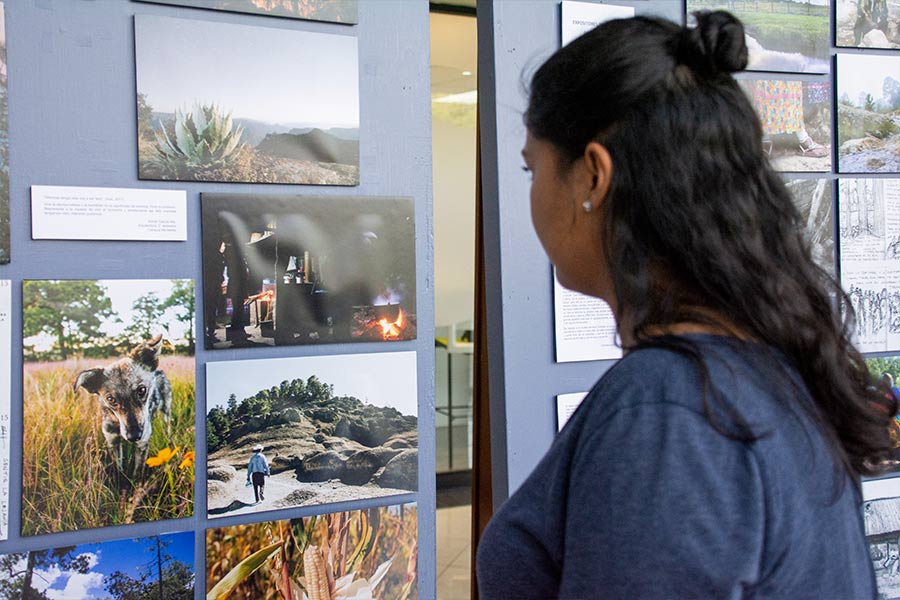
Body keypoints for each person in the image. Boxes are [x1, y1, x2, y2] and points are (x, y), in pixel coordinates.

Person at [476, 11, 896, 599]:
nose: (533, 194)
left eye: (533, 168)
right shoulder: (760, 371)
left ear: (593, 176)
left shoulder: (667, 410)